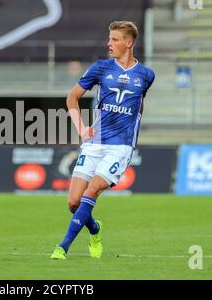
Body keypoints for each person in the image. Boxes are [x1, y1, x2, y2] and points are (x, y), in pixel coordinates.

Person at [50, 21, 155, 260]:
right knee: (74, 202)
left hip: (120, 147)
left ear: (129, 43)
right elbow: (72, 98)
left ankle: (62, 247)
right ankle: (95, 229)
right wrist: (81, 128)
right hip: (94, 142)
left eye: (115, 39)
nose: (109, 43)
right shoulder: (100, 69)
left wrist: (131, 133)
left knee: (93, 189)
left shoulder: (146, 75)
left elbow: (139, 105)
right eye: (109, 38)